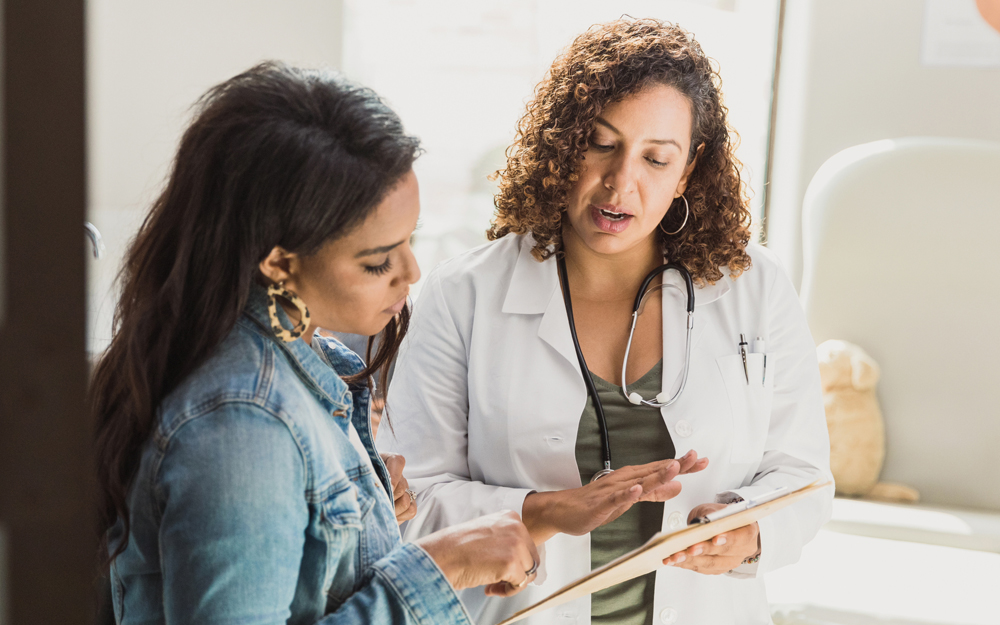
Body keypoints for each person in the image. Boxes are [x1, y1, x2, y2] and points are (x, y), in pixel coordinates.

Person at [380, 19, 833, 625]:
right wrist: (545, 510)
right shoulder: (463, 294)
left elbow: (803, 476)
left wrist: (747, 532)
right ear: (565, 143)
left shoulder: (754, 287)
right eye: (601, 144)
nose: (621, 182)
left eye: (656, 158)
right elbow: (409, 503)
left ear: (689, 171)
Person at [90, 62, 543, 625]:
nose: (412, 271)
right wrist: (440, 569)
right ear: (279, 262)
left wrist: (370, 524)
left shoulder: (300, 360)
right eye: (378, 261)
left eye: (409, 239)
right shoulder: (243, 424)